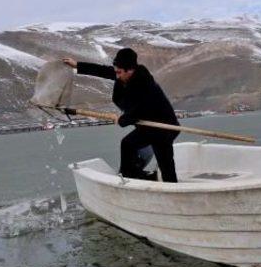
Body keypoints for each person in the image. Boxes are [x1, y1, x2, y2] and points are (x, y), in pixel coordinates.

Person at [63, 48, 180, 182]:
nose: (116, 75)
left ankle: (170, 189)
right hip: (147, 125)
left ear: (130, 70)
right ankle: (131, 176)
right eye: (116, 71)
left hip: (163, 127)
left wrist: (121, 119)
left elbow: (140, 110)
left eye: (119, 72)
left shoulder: (145, 84)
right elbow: (103, 71)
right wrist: (78, 65)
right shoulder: (123, 74)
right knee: (128, 145)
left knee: (165, 164)